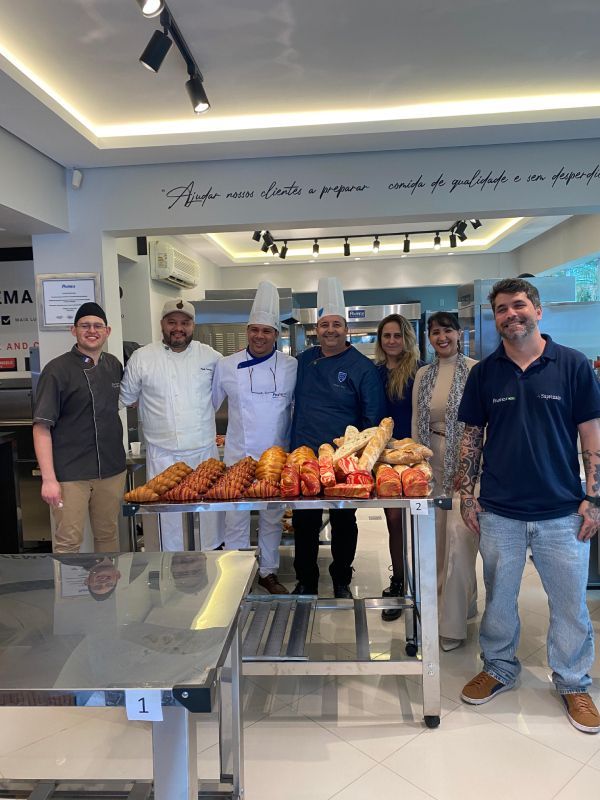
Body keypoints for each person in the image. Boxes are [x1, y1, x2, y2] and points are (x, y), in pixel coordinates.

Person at [457, 277, 600, 734]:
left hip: (561, 510)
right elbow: (470, 437)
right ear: (495, 316)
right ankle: (498, 667)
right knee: (499, 599)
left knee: (570, 603)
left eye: (518, 305)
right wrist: (466, 494)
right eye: (501, 308)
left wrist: (594, 498)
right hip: (499, 510)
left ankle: (574, 681)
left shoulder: (574, 365)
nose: (510, 314)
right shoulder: (484, 373)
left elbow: (592, 437)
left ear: (537, 310)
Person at [291, 277, 387, 598]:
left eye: (336, 324)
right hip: (304, 452)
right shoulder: (304, 360)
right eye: (323, 325)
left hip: (345, 457)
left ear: (346, 329)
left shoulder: (362, 367)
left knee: (344, 520)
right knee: (305, 522)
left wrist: (364, 463)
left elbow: (373, 419)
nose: (329, 330)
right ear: (316, 329)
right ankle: (305, 579)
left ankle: (342, 577)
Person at [212, 281, 297, 594]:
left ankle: (268, 571)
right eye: (254, 330)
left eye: (266, 331)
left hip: (276, 456)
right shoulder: (226, 366)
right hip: (237, 456)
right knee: (235, 516)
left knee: (272, 516)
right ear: (247, 332)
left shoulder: (292, 366)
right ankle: (236, 572)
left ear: (276, 334)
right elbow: (208, 406)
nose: (259, 336)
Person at [120, 299, 224, 551]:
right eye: (172, 322)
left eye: (185, 323)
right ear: (162, 324)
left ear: (193, 326)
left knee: (208, 527)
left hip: (203, 456)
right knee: (168, 529)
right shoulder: (142, 357)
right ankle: (169, 579)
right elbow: (126, 399)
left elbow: (220, 396)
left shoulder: (211, 357)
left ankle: (213, 572)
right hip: (162, 457)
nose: (178, 328)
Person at [33, 302, 126, 553]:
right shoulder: (57, 370)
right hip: (70, 474)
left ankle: (109, 593)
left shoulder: (113, 365)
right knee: (68, 542)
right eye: (85, 326)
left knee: (108, 536)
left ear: (107, 331)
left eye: (98, 326)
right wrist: (48, 479)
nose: (92, 330)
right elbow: (41, 427)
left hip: (111, 470)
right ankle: (67, 594)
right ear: (73, 330)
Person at [411, 312, 478, 650]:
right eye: (435, 332)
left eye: (447, 331)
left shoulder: (476, 370)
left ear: (459, 333)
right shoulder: (424, 374)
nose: (442, 337)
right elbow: (415, 422)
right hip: (432, 459)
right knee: (437, 540)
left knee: (459, 537)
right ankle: (458, 605)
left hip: (469, 461)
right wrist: (416, 468)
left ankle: (451, 627)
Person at [375, 313, 423, 621]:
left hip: (415, 453)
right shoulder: (374, 372)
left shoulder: (419, 371)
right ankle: (398, 582)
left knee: (419, 522)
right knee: (394, 520)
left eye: (397, 335)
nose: (392, 341)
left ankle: (422, 582)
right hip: (385, 456)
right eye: (387, 336)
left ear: (407, 338)